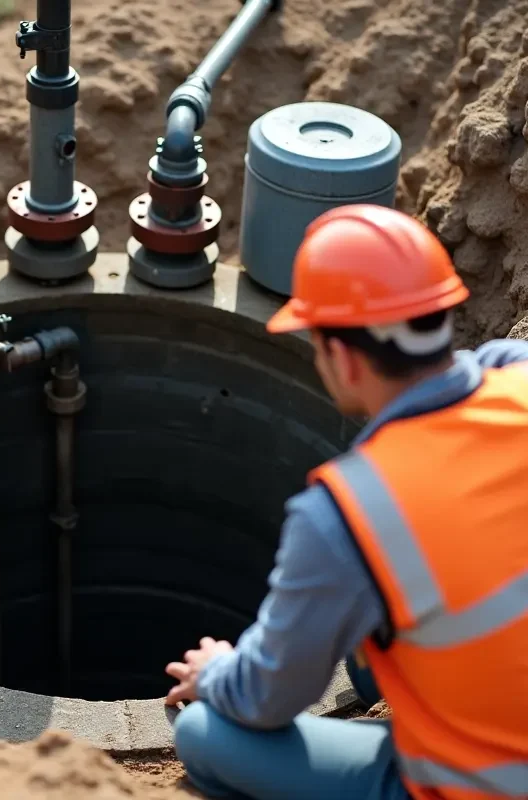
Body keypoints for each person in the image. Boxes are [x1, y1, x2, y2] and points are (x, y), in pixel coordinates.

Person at [164, 204, 528, 800]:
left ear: (345, 358)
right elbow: (483, 367)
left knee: (208, 732)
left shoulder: (350, 512)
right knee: (374, 629)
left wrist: (218, 671)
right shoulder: (517, 376)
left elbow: (265, 696)